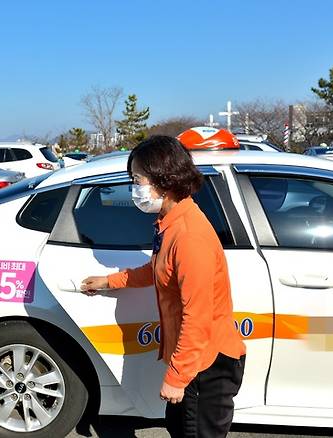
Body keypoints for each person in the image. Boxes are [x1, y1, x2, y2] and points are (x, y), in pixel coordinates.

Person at [81, 134, 246, 438]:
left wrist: (177, 376)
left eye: (138, 179)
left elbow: (197, 317)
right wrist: (110, 281)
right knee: (178, 427)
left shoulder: (188, 236)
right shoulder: (170, 222)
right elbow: (158, 270)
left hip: (205, 368)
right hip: (194, 365)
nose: (134, 188)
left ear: (164, 179)